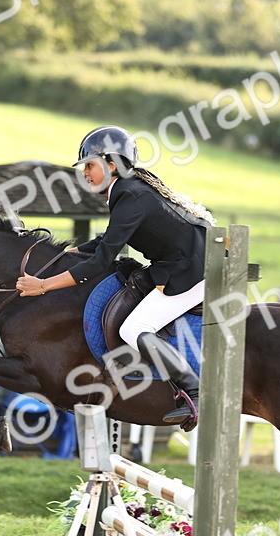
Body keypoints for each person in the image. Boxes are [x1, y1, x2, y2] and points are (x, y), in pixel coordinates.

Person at [16, 125, 213, 429]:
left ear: (111, 165)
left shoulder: (130, 195)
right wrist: (62, 255)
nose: (85, 173)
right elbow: (104, 242)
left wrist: (43, 285)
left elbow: (101, 261)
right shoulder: (127, 189)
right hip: (179, 264)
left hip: (192, 272)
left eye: (90, 166)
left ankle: (194, 389)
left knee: (135, 328)